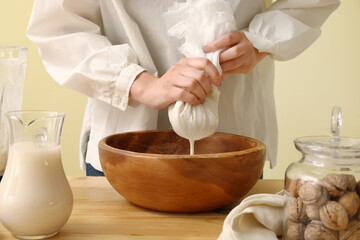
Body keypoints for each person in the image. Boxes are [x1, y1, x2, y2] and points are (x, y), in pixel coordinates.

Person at [26, 0, 340, 176]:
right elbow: (57, 25)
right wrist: (137, 82)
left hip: (233, 143)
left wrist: (261, 41)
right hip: (123, 141)